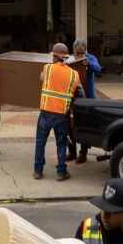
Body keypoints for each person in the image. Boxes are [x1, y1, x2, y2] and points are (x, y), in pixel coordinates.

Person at [34, 43, 85, 181]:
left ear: (56, 57)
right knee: (61, 143)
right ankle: (61, 173)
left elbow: (41, 78)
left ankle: (38, 171)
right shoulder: (74, 74)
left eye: (53, 56)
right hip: (62, 114)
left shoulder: (47, 69)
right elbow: (80, 93)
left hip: (46, 112)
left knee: (40, 142)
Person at [67, 39, 103, 165]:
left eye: (82, 53)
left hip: (88, 98)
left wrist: (89, 64)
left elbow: (99, 69)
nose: (80, 55)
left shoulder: (90, 58)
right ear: (73, 51)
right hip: (72, 98)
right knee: (69, 126)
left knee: (85, 125)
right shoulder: (69, 59)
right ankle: (72, 152)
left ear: (86, 51)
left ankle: (83, 153)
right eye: (78, 53)